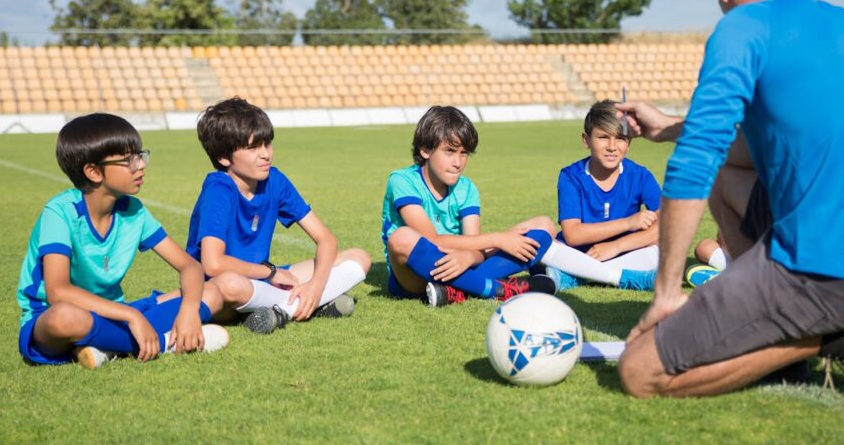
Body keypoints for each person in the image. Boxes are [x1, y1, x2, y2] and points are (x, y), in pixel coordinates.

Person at [616, 0, 844, 399]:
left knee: (639, 371)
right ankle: (778, 310)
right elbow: (765, 141)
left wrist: (667, 291)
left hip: (825, 268)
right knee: (728, 175)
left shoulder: (741, 27)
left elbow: (695, 162)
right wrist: (669, 127)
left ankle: (825, 336)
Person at [17, 113, 230, 370]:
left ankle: (106, 346)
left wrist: (188, 311)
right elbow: (58, 292)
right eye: (129, 160)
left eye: (140, 156)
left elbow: (190, 267)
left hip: (114, 313)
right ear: (94, 171)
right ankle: (165, 343)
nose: (140, 165)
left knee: (212, 291)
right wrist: (132, 315)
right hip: (55, 318)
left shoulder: (134, 211)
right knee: (63, 318)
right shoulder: (60, 212)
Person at [186, 97, 371, 334]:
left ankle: (290, 307)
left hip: (263, 281)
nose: (265, 154)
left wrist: (315, 286)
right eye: (253, 147)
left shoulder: (275, 180)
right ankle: (301, 306)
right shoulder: (218, 189)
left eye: (267, 144)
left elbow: (326, 239)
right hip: (221, 289)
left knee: (359, 257)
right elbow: (213, 265)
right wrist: (272, 273)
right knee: (230, 283)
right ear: (223, 157)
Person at [382, 105, 556, 307]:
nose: (458, 162)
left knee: (544, 225)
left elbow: (474, 245)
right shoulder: (402, 180)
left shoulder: (466, 188)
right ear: (425, 150)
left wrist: (467, 257)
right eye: (449, 151)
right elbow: (432, 240)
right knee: (401, 237)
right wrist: (499, 239)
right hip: (415, 276)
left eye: (464, 153)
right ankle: (496, 289)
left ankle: (454, 291)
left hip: (459, 261)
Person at [539, 99, 663, 292]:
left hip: (624, 251)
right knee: (541, 239)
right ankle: (624, 277)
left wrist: (616, 246)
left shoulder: (640, 175)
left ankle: (576, 277)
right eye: (603, 137)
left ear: (628, 143)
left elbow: (668, 224)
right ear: (586, 140)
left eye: (620, 138)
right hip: (580, 253)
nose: (612, 146)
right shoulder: (571, 176)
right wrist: (629, 223)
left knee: (664, 242)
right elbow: (572, 235)